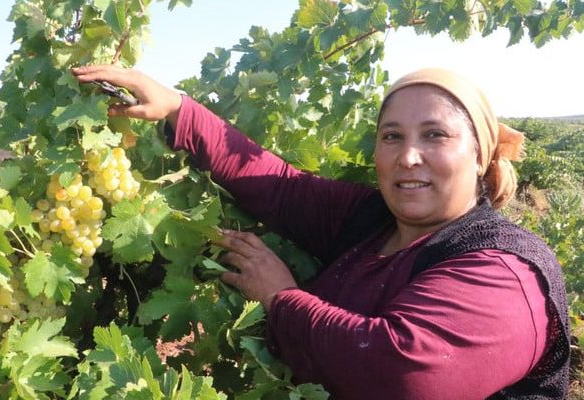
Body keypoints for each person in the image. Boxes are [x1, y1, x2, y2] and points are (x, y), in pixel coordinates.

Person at [72, 65, 570, 399]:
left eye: (435, 135)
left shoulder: (504, 271)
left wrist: (280, 298)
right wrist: (179, 109)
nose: (407, 155)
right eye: (391, 136)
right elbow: (281, 188)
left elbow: (403, 373)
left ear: (480, 153)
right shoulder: (374, 219)